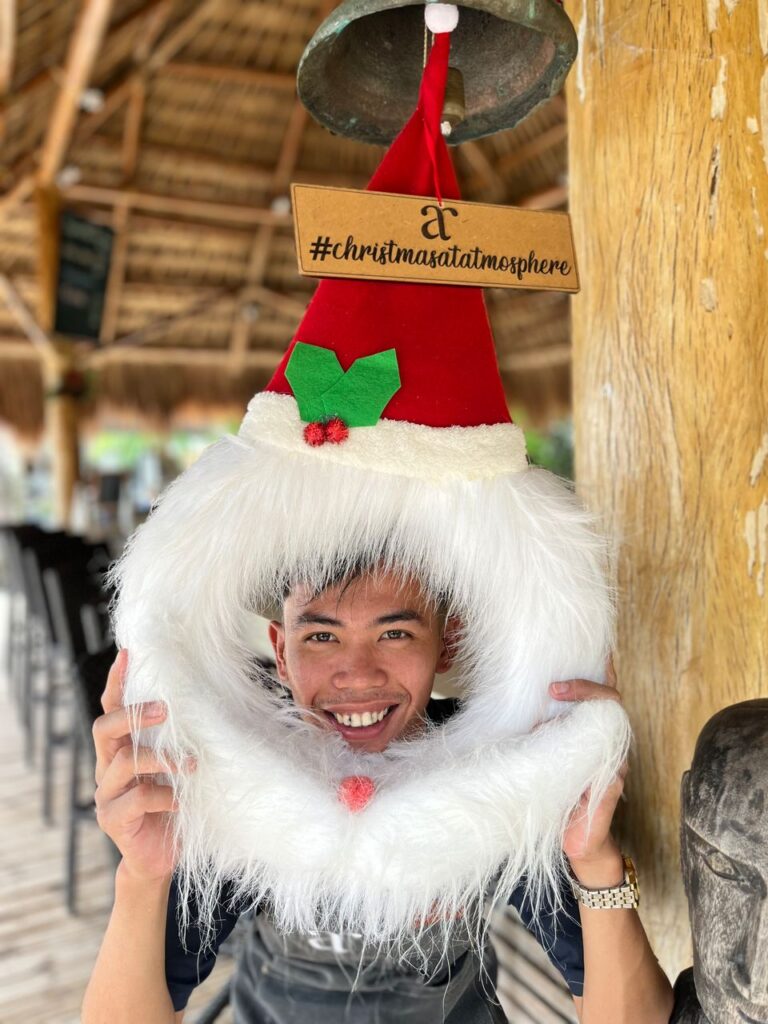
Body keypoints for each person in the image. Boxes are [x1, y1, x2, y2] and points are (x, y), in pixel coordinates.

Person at [83, 565, 673, 1024]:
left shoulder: (494, 768)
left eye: (394, 632)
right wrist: (144, 876)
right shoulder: (241, 773)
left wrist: (593, 858)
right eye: (321, 636)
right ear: (281, 652)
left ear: (446, 642)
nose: (358, 675)